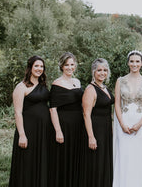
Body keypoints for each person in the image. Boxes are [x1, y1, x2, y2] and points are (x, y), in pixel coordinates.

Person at [113, 50, 142, 187]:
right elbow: (117, 105)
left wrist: (139, 124)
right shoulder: (120, 81)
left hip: (140, 124)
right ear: (128, 63)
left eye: (137, 61)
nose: (134, 64)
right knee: (125, 156)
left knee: (139, 157)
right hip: (124, 123)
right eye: (132, 61)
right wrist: (122, 124)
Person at [9, 55, 52, 187]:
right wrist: (22, 134)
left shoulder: (43, 85)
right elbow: (18, 112)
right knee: (28, 161)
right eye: (36, 66)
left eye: (41, 66)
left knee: (42, 160)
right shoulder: (21, 87)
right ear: (30, 68)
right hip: (29, 130)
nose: (39, 69)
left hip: (44, 130)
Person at [49, 52, 85, 187]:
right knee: (64, 157)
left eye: (72, 64)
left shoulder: (77, 82)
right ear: (62, 66)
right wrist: (58, 131)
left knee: (76, 155)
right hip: (64, 124)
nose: (70, 67)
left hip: (78, 123)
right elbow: (53, 109)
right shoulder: (57, 84)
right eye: (67, 65)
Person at [81, 58, 115, 187]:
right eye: (99, 70)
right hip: (96, 130)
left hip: (106, 129)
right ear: (93, 72)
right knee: (97, 162)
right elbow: (86, 114)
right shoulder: (90, 89)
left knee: (104, 161)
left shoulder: (104, 88)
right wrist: (91, 137)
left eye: (105, 70)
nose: (102, 73)